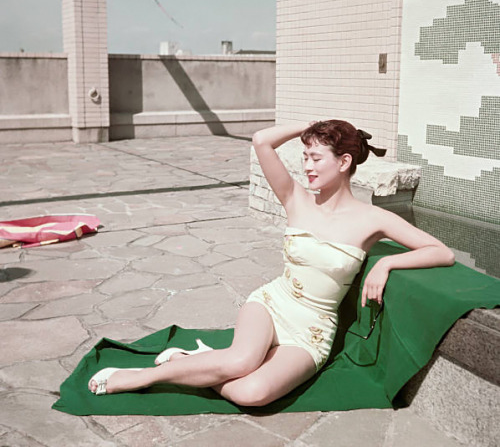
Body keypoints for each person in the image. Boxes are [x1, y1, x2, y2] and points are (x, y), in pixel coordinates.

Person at [88, 120, 455, 406]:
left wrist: (385, 265)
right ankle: (143, 376)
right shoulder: (295, 198)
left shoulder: (373, 219)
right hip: (272, 304)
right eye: (304, 156)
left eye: (316, 158)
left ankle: (195, 359)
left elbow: (441, 251)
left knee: (252, 393)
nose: (306, 166)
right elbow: (262, 140)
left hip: (312, 330)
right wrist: (311, 127)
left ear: (344, 162)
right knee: (239, 364)